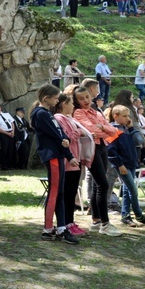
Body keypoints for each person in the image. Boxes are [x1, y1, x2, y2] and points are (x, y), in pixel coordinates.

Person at [31, 84, 80, 244]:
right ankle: (48, 228)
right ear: (46, 99)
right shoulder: (41, 114)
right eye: (55, 98)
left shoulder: (47, 114)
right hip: (52, 156)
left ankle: (60, 227)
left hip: (58, 155)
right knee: (55, 192)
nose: (58, 100)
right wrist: (64, 144)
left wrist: (68, 153)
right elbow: (57, 135)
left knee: (60, 193)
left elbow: (60, 134)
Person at [72, 85, 122, 237]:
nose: (85, 100)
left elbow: (114, 130)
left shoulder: (95, 111)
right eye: (81, 98)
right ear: (76, 101)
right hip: (91, 149)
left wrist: (103, 128)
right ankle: (105, 224)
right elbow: (91, 131)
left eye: (87, 97)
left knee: (96, 184)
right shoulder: (79, 112)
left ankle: (96, 220)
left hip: (102, 147)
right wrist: (103, 129)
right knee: (103, 184)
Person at [53, 93, 92, 236]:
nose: (74, 106)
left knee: (72, 192)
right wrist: (79, 131)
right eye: (71, 103)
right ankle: (66, 223)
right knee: (67, 194)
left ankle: (71, 221)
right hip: (68, 161)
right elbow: (66, 137)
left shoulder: (69, 118)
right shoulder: (59, 118)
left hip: (75, 160)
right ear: (64, 104)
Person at [107, 105, 145, 227]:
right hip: (122, 165)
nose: (127, 118)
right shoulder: (112, 130)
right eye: (124, 116)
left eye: (128, 116)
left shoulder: (126, 129)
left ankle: (125, 216)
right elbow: (111, 151)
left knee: (127, 191)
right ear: (116, 116)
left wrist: (131, 128)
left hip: (131, 163)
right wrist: (120, 165)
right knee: (133, 190)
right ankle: (139, 214)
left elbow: (140, 141)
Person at [0, 104, 16, 170]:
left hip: (11, 132)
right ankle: (4, 165)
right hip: (4, 134)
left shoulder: (7, 114)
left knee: (11, 149)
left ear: (0, 108)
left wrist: (13, 132)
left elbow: (12, 123)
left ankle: (10, 164)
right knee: (4, 149)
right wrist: (7, 133)